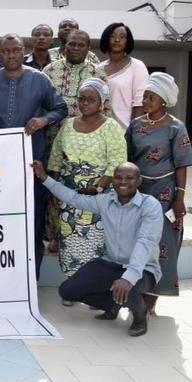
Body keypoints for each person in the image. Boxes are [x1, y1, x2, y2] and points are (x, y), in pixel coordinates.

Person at [31, 160, 162, 337]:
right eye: (118, 177)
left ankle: (140, 317)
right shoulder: (105, 201)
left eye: (129, 178)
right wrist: (45, 178)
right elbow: (74, 199)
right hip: (112, 263)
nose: (123, 181)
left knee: (129, 286)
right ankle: (112, 304)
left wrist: (129, 277)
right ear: (112, 181)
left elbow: (145, 241)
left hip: (143, 268)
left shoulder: (150, 205)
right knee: (68, 290)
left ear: (139, 181)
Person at [0, 33, 68, 278]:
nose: (10, 55)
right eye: (5, 51)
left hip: (32, 164)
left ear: (23, 51)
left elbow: (61, 108)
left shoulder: (40, 80)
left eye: (15, 50)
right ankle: (2, 280)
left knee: (32, 222)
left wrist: (43, 120)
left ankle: (31, 283)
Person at [126, 72, 192, 313]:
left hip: (165, 190)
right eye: (144, 96)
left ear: (163, 101)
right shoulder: (135, 125)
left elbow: (182, 164)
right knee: (135, 241)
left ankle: (151, 300)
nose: (145, 101)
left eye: (151, 97)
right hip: (138, 190)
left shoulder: (176, 127)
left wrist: (180, 198)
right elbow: (127, 158)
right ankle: (130, 292)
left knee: (164, 244)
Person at [47, 78, 126, 283]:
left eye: (91, 99)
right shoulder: (67, 124)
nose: (85, 103)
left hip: (98, 195)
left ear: (101, 103)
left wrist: (98, 187)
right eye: (81, 99)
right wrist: (55, 190)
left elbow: (117, 164)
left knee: (96, 242)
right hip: (69, 194)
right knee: (69, 239)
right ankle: (72, 286)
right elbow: (56, 158)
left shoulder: (111, 127)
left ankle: (95, 288)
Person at [98, 22, 149, 130]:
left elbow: (139, 104)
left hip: (124, 131)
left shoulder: (137, 66)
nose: (117, 40)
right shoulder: (98, 69)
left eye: (122, 37)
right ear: (106, 38)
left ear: (127, 41)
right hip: (100, 131)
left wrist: (132, 134)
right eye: (113, 36)